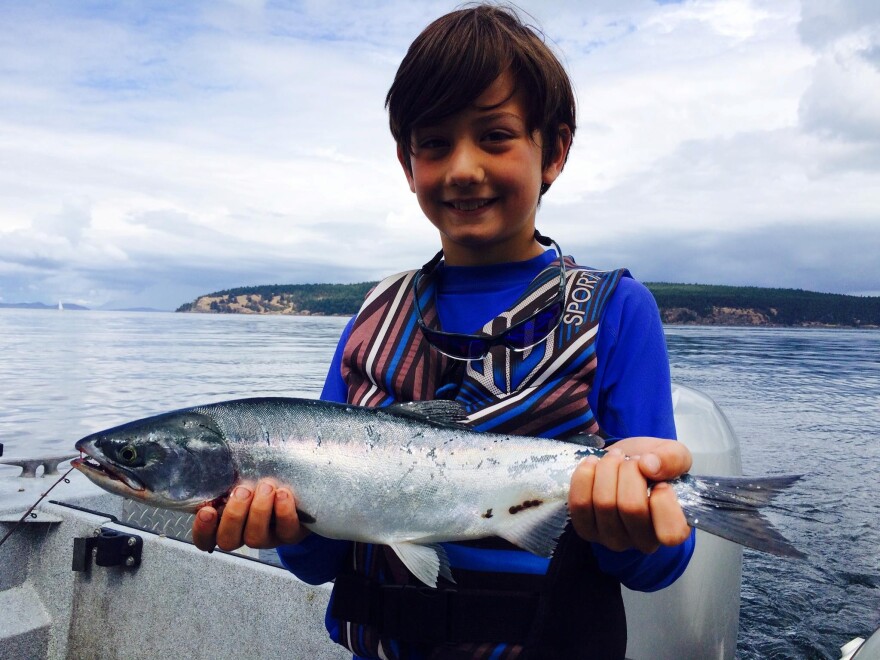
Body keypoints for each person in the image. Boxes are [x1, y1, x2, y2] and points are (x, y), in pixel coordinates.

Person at [192, 5, 695, 658]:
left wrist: (629, 529)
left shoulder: (616, 312)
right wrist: (284, 527)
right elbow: (316, 563)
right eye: (434, 144)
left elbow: (661, 567)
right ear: (408, 163)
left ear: (556, 150)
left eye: (495, 136)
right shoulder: (374, 319)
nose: (462, 167)